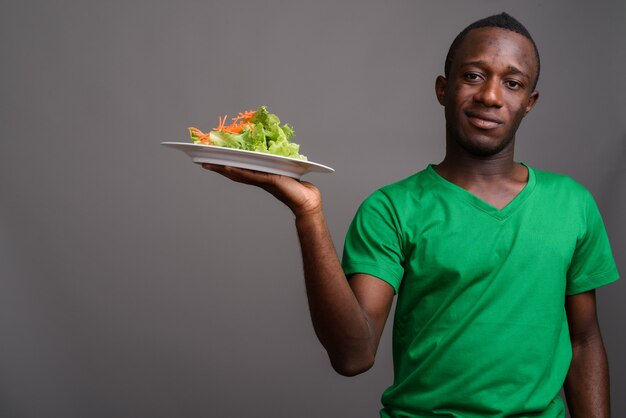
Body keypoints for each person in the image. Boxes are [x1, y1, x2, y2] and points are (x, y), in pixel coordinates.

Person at [202, 12, 619, 418]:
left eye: (512, 83)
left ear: (529, 103)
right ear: (443, 88)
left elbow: (583, 342)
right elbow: (353, 355)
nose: (490, 95)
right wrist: (308, 213)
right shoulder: (392, 209)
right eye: (473, 75)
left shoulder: (572, 204)